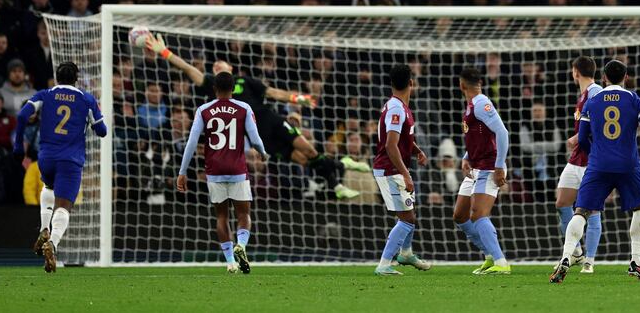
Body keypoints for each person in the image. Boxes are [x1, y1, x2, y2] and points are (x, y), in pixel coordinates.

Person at [144, 33, 361, 200]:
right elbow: (188, 69)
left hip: (273, 121)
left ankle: (338, 176)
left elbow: (274, 93)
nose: (217, 66)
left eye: (222, 64)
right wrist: (164, 52)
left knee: (310, 151)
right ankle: (340, 171)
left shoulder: (245, 82)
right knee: (303, 160)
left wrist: (297, 99)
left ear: (231, 68)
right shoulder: (213, 87)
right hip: (258, 135)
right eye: (214, 66)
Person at [550, 60, 640, 283]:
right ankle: (635, 262)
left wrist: (595, 154)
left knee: (581, 211)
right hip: (628, 165)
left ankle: (566, 258)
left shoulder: (592, 102)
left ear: (603, 78)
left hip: (598, 165)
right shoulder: (634, 99)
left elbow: (581, 139)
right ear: (626, 77)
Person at [13, 62, 108, 273]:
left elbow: (21, 116)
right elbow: (102, 131)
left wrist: (19, 147)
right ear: (77, 77)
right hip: (70, 160)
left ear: (56, 77)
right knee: (64, 206)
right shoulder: (86, 98)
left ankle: (44, 228)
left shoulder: (44, 95)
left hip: (45, 157)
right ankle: (52, 244)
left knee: (48, 186)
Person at [177, 72, 266, 274]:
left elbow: (191, 143)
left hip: (214, 170)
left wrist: (182, 172)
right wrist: (262, 153)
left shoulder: (204, 110)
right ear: (233, 89)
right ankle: (241, 246)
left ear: (214, 89)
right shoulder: (244, 108)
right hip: (237, 169)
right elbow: (255, 137)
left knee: (221, 217)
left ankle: (230, 263)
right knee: (243, 214)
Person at [452, 67, 511, 275]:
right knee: (460, 215)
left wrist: (499, 165)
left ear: (461, 85)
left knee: (478, 214)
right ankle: (488, 255)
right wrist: (466, 157)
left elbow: (502, 132)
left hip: (489, 165)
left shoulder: (481, 104)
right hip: (476, 165)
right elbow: (479, 136)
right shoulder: (472, 105)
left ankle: (500, 262)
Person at [372, 64, 430, 275]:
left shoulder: (398, 106)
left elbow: (401, 139)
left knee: (409, 215)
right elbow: (390, 144)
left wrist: (416, 150)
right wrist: (406, 174)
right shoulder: (396, 109)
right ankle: (384, 264)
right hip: (389, 170)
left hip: (392, 168)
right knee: (407, 219)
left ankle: (406, 253)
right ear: (411, 84)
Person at [554, 56, 603, 274]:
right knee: (562, 202)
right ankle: (576, 252)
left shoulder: (595, 92)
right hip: (576, 160)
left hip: (592, 161)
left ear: (575, 71)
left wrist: (576, 137)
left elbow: (602, 124)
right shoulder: (584, 95)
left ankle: (589, 261)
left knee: (592, 212)